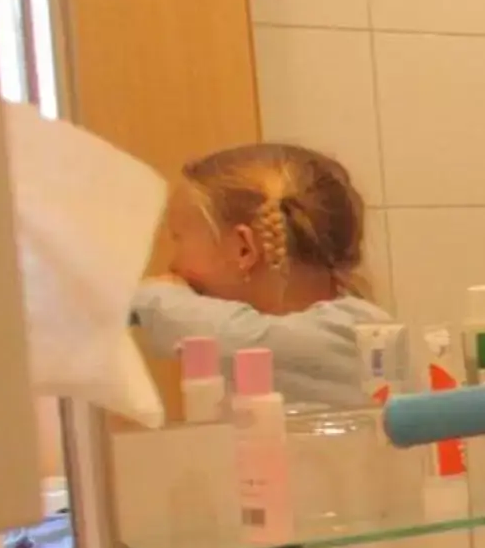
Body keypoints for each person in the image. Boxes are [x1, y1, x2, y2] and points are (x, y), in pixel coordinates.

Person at [131, 141, 389, 406]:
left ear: (244, 249)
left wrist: (142, 299)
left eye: (178, 239)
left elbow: (233, 336)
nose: (173, 264)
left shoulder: (359, 333)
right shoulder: (265, 358)